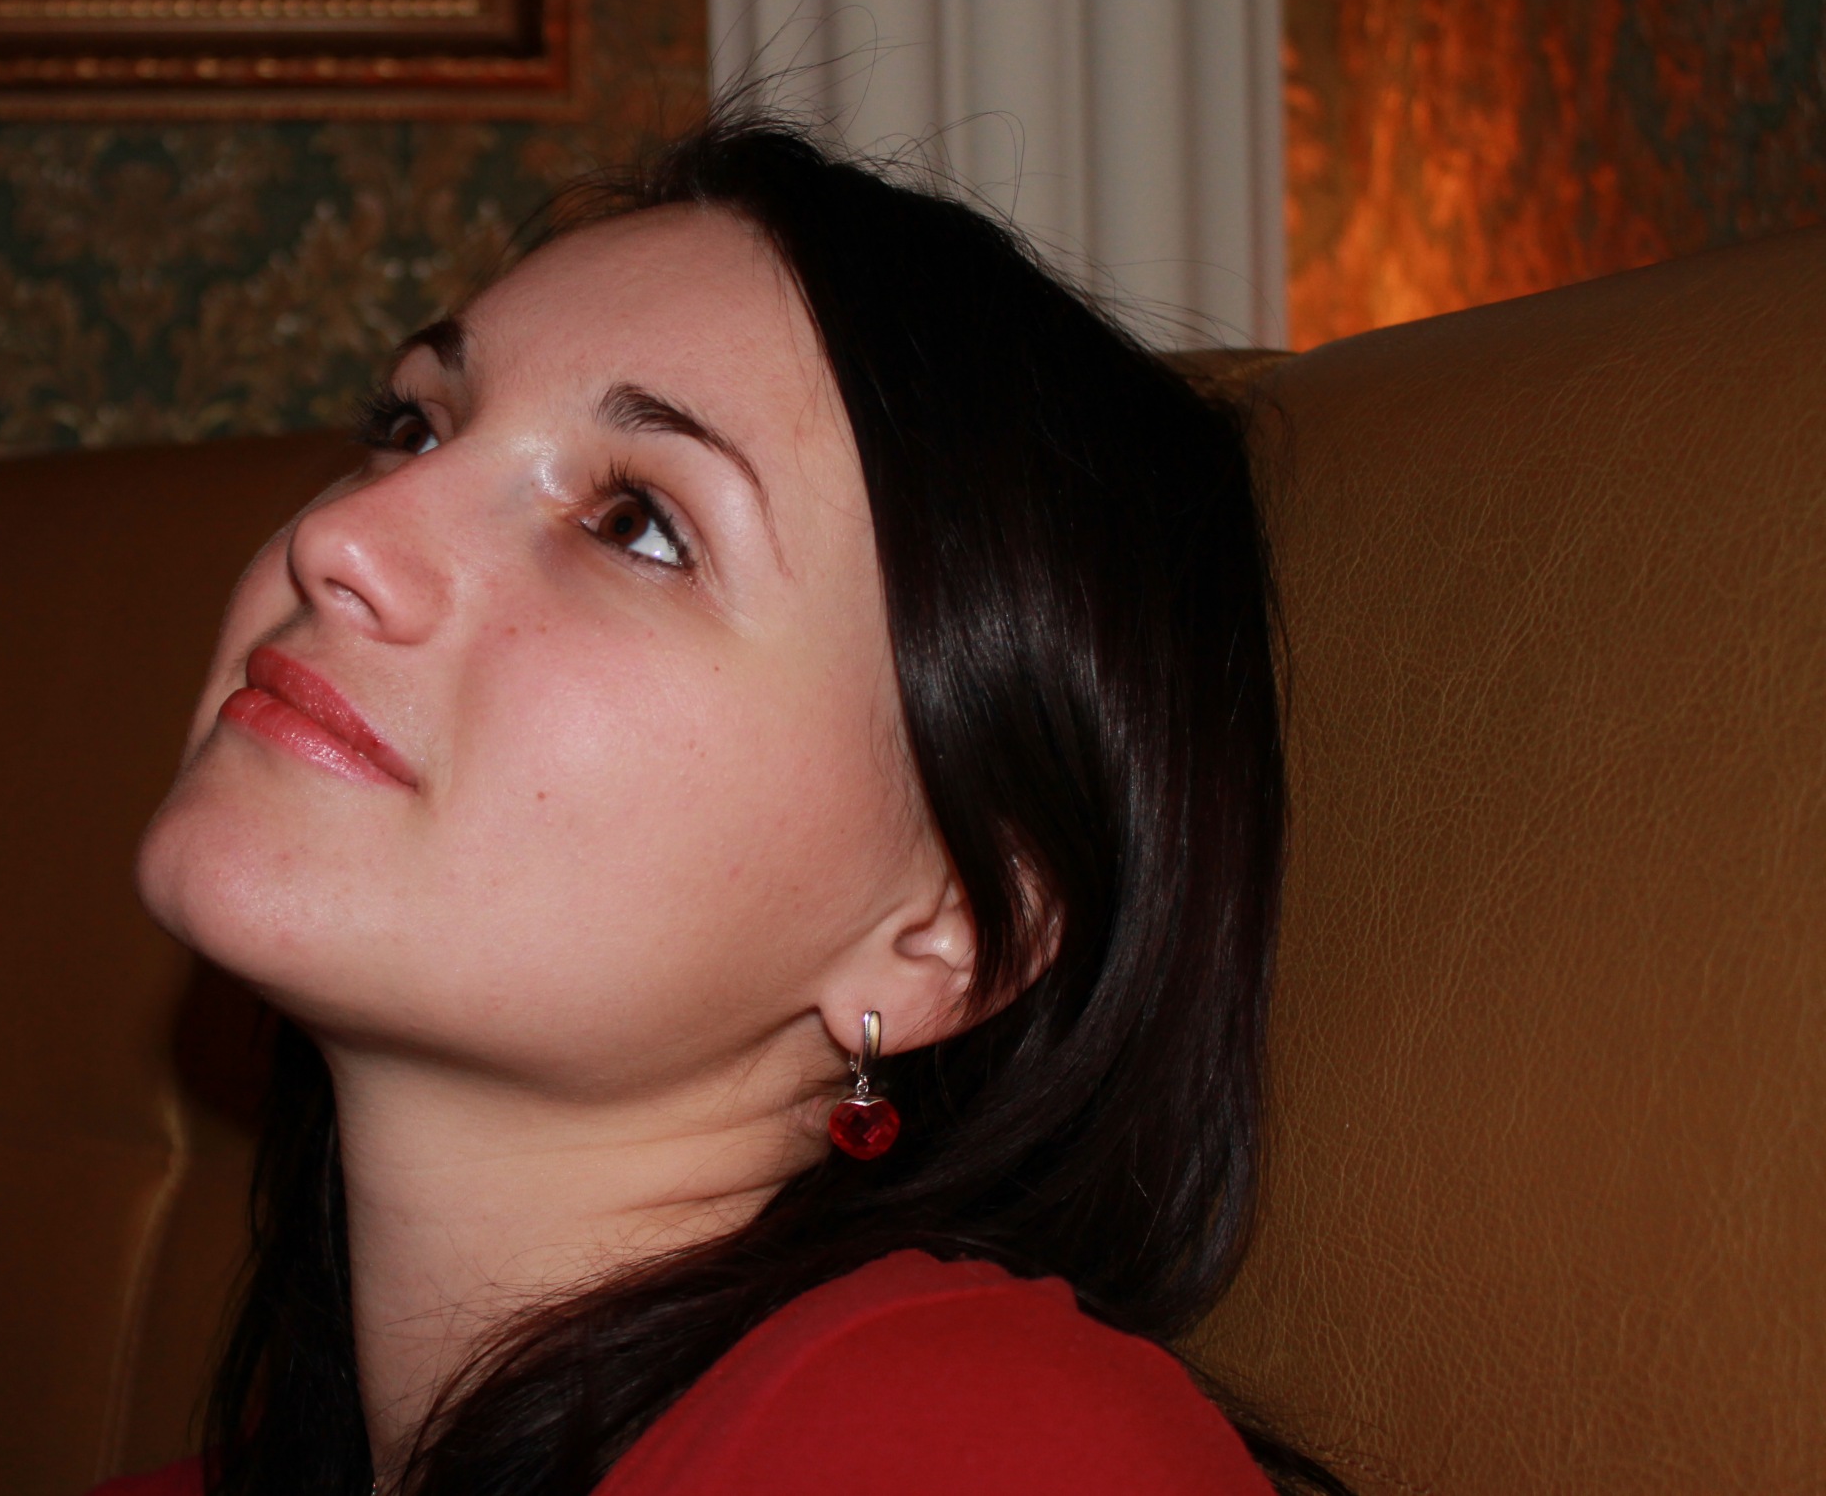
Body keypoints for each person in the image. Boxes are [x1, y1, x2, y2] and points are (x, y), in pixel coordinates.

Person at [110, 115, 1348, 1496]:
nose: (340, 535)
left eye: (637, 523)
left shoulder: (986, 1447)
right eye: (412, 430)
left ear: (943, 932)